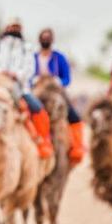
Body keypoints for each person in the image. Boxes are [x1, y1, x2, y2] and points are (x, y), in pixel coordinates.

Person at [0, 18, 53, 158]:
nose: (14, 30)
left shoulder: (26, 48)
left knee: (37, 109)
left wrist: (16, 75)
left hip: (18, 87)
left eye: (17, 27)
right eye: (11, 27)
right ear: (6, 27)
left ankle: (42, 142)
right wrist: (0, 72)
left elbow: (30, 69)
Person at [33, 27, 84, 163]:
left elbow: (67, 78)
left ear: (52, 40)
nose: (45, 40)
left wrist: (58, 80)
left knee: (74, 116)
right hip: (37, 90)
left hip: (55, 91)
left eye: (48, 37)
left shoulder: (59, 58)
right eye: (43, 37)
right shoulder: (33, 57)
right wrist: (34, 80)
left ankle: (77, 147)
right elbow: (27, 75)